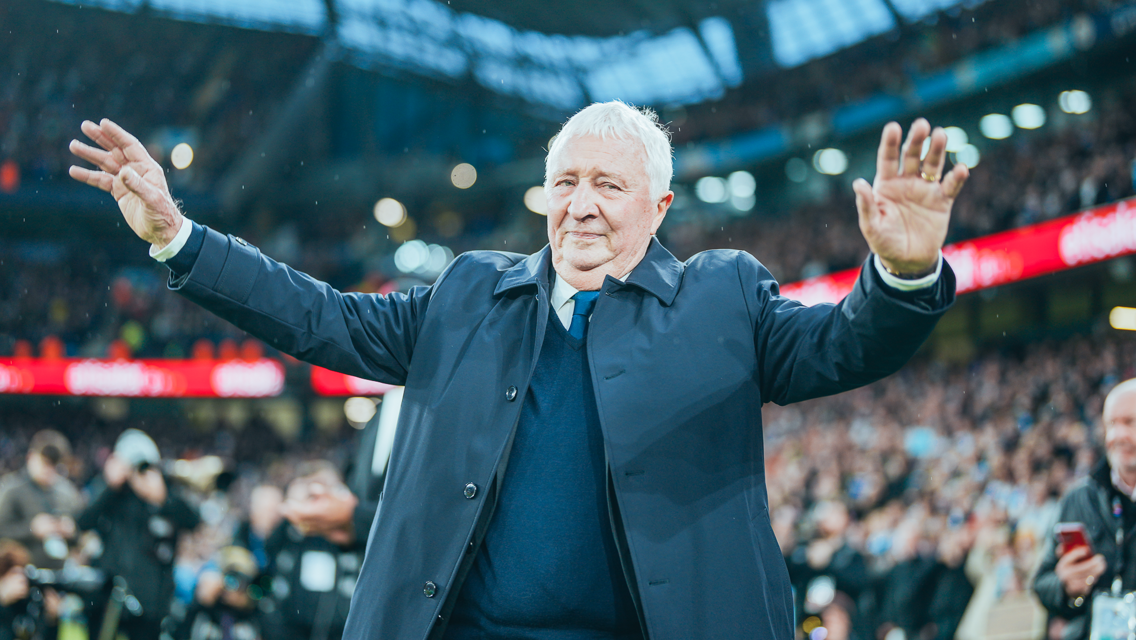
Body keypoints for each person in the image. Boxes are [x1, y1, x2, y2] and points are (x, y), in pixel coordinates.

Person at [69, 101, 968, 639]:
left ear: (657, 207)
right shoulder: (468, 293)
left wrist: (903, 274)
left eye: (608, 187)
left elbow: (844, 346)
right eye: (565, 182)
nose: (579, 206)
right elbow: (324, 320)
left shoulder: (723, 296)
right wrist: (178, 237)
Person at [1034, 379, 1136, 640]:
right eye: (1112, 424)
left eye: (1130, 422)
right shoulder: (1078, 497)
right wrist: (1067, 587)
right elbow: (1041, 583)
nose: (1118, 435)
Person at [76, 429, 201, 640]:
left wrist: (162, 498)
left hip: (151, 601)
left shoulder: (166, 492)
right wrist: (111, 485)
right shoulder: (114, 494)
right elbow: (83, 522)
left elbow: (193, 520)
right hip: (109, 596)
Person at [262, 461, 364, 640]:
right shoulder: (293, 533)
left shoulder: (347, 532)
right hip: (293, 627)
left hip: (339, 626)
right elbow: (270, 546)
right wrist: (295, 503)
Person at [0, 430, 83, 570]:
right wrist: (32, 529)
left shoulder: (67, 492)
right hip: (23, 574)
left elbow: (82, 534)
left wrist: (71, 531)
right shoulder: (12, 489)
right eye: (45, 463)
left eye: (55, 466)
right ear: (30, 457)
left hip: (61, 573)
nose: (49, 470)